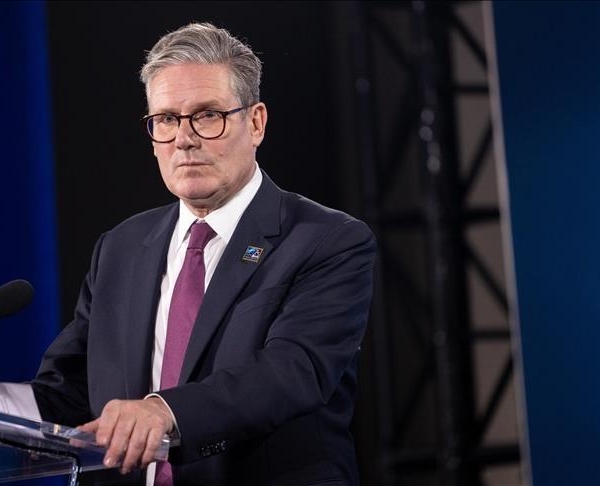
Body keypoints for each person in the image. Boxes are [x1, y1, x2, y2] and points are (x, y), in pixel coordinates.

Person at [32, 22, 376, 485]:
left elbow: (293, 371)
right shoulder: (121, 248)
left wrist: (164, 411)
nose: (184, 138)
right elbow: (68, 388)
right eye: (166, 119)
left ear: (256, 123)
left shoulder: (326, 240)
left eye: (208, 115)